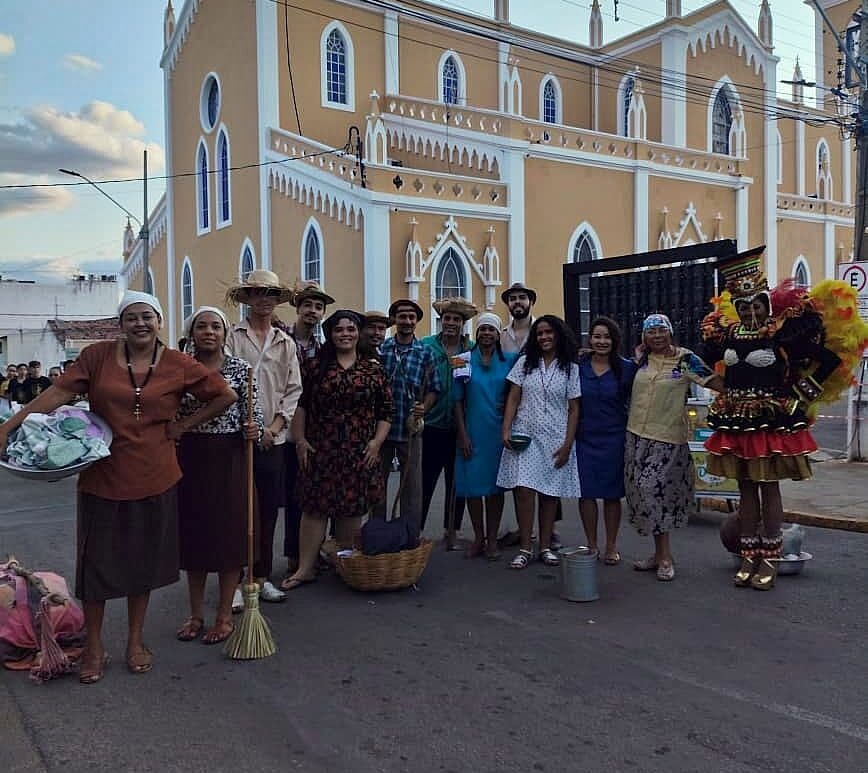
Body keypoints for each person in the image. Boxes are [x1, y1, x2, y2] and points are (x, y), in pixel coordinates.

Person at [0, 291, 236, 683]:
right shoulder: (97, 357)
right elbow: (58, 393)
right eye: (131, 317)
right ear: (121, 323)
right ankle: (94, 646)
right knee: (97, 565)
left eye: (147, 316)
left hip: (155, 475)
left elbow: (224, 395)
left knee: (141, 565)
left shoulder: (178, 363)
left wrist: (182, 426)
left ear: (159, 321)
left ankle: (135, 641)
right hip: (103, 476)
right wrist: (9, 427)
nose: (140, 324)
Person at [700, 250, 850, 590]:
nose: (750, 311)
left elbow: (828, 361)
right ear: (736, 307)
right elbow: (702, 362)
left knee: (768, 487)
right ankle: (748, 555)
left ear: (766, 304)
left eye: (756, 304)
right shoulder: (727, 335)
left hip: (769, 421)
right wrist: (715, 384)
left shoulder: (782, 335)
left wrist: (801, 395)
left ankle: (770, 557)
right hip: (736, 421)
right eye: (744, 306)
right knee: (745, 488)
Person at [285, 310, 393, 588]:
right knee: (314, 509)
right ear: (330, 335)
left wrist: (376, 443)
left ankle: (344, 566)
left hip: (359, 450)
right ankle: (305, 568)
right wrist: (300, 439)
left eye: (351, 329)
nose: (345, 334)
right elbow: (301, 405)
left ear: (359, 333)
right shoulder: (315, 367)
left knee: (351, 509)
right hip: (321, 448)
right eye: (339, 330)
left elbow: (386, 411)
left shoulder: (374, 369)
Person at [175, 307, 263, 644]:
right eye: (202, 326)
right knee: (195, 536)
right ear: (192, 332)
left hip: (230, 456)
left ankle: (224, 615)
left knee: (230, 536)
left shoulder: (241, 369)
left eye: (216, 326)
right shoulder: (180, 369)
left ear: (225, 334)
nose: (209, 332)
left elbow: (253, 412)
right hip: (191, 456)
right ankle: (195, 614)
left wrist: (254, 427)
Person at [625, 314, 724, 582]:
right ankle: (658, 554)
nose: (657, 336)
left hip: (667, 438)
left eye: (661, 330)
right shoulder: (641, 360)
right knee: (641, 495)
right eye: (651, 332)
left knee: (654, 492)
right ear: (644, 336)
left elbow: (715, 383)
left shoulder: (685, 359)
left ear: (670, 332)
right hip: (636, 436)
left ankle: (665, 556)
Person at [225, 270, 302, 605]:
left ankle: (261, 576)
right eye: (258, 292)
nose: (264, 299)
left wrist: (274, 427)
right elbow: (225, 381)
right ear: (248, 298)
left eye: (270, 293)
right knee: (237, 509)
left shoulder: (285, 342)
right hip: (237, 436)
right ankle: (234, 580)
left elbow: (293, 389)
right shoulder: (232, 337)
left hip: (273, 438)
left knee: (268, 509)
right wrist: (249, 424)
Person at [497, 315, 581, 569]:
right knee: (523, 491)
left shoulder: (571, 368)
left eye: (549, 332)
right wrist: (506, 429)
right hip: (525, 435)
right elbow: (513, 397)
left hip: (555, 437)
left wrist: (568, 444)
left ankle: (544, 547)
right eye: (540, 333)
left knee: (548, 494)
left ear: (558, 335)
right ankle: (525, 547)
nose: (544, 337)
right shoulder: (525, 363)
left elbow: (574, 409)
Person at [275, 281, 334, 589]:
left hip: (312, 428)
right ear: (298, 308)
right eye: (308, 305)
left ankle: (310, 553)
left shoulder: (323, 349)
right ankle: (293, 555)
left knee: (311, 493)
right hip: (281, 425)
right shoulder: (281, 338)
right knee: (291, 494)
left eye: (318, 307)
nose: (313, 311)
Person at [375, 299, 442, 539]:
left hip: (410, 429)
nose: (406, 321)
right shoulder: (382, 350)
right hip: (381, 430)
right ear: (394, 319)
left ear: (416, 321)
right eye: (402, 316)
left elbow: (435, 387)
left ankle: (408, 536)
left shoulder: (425, 352)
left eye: (411, 317)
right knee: (377, 484)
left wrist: (424, 407)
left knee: (411, 487)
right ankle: (377, 534)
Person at [454, 312, 518, 560]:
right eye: (483, 329)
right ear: (477, 333)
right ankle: (478, 537)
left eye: (492, 329)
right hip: (471, 431)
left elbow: (517, 394)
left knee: (494, 489)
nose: (487, 334)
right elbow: (456, 401)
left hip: (498, 433)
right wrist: (462, 435)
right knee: (472, 488)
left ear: (498, 334)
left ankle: (492, 539)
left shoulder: (510, 360)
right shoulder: (462, 360)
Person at [577, 316, 637, 565]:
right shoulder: (578, 366)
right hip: (584, 438)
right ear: (590, 339)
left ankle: (611, 545)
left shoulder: (627, 368)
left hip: (615, 438)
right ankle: (591, 544)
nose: (602, 341)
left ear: (615, 340)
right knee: (586, 494)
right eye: (597, 336)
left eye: (607, 337)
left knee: (612, 495)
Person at [420, 297, 476, 549]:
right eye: (447, 318)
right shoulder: (427, 346)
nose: (451, 323)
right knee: (425, 480)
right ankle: (416, 530)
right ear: (440, 320)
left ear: (463, 323)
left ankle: (451, 531)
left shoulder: (470, 349)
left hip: (460, 425)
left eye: (456, 319)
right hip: (431, 424)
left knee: (456, 481)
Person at [500, 282, 536, 355]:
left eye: (522, 298)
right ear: (508, 304)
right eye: (512, 299)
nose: (517, 301)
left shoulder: (541, 331)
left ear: (531, 302)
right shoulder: (502, 336)